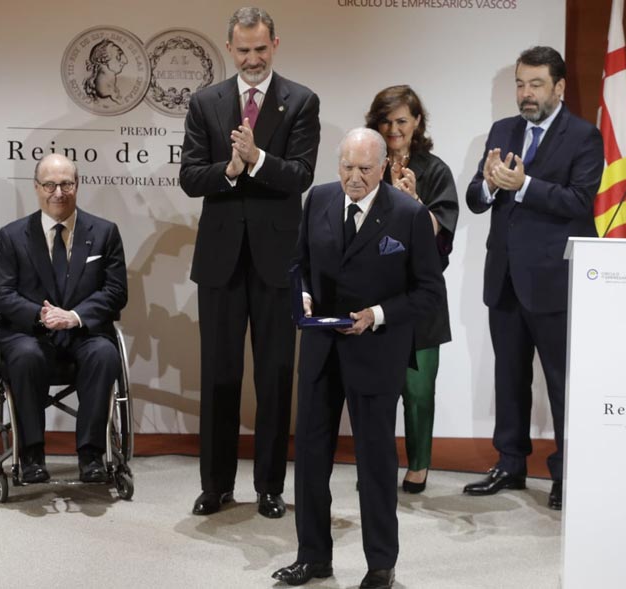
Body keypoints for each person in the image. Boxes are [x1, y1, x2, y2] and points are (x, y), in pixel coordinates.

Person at [272, 129, 444, 589]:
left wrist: (378, 315)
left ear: (384, 167)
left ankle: (381, 565)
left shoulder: (409, 214)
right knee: (309, 457)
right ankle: (313, 557)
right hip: (321, 350)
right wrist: (304, 295)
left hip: (376, 353)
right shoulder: (319, 199)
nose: (353, 177)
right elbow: (300, 264)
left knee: (375, 463)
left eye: (364, 169)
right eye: (346, 167)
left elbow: (429, 293)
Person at [179, 6, 320, 518]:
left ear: (275, 45)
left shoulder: (301, 100)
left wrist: (257, 160)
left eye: (261, 49)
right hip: (219, 261)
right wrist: (231, 168)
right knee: (218, 374)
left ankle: (269, 487)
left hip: (277, 261)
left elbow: (301, 175)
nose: (253, 58)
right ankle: (215, 485)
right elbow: (192, 177)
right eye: (243, 50)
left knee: (276, 375)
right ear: (229, 48)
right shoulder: (205, 102)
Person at [463, 46, 604, 510]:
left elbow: (579, 201)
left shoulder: (584, 136)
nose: (526, 94)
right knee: (509, 374)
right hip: (504, 274)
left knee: (563, 382)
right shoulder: (504, 130)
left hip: (554, 280)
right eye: (520, 84)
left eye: (535, 84)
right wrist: (487, 184)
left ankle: (569, 472)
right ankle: (510, 463)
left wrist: (522, 186)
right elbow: (477, 198)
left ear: (559, 87)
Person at [0, 154, 127, 484]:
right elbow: (0, 293)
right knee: (26, 356)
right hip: (29, 335)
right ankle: (31, 454)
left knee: (105, 354)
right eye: (49, 184)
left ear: (77, 186)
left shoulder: (105, 233)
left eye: (66, 184)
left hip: (83, 333)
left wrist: (75, 317)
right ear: (37, 188)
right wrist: (41, 315)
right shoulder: (12, 235)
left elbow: (116, 292)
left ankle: (92, 455)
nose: (58, 192)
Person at [365, 85, 458, 494]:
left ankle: (418, 465)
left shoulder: (434, 170)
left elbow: (442, 234)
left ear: (417, 122)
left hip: (421, 298)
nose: (393, 128)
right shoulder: (366, 165)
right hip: (374, 296)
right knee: (378, 390)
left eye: (402, 120)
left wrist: (414, 204)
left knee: (418, 391)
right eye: (386, 121)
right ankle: (378, 464)